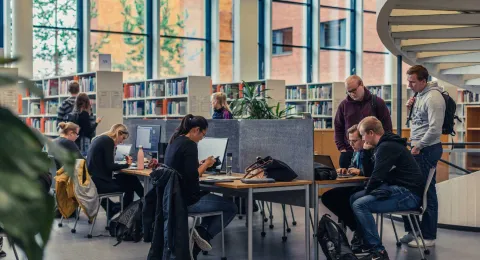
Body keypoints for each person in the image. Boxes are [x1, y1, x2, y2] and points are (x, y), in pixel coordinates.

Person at [350, 116, 425, 260]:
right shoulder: (384, 145)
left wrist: (367, 192)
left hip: (409, 194)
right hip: (400, 190)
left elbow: (377, 177)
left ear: (371, 133)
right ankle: (363, 241)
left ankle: (378, 251)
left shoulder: (386, 147)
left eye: (363, 134)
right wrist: (366, 152)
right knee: (355, 197)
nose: (362, 138)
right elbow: (370, 173)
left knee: (360, 204)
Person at [165, 114, 237, 259]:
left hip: (173, 199)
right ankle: (200, 238)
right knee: (231, 207)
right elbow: (192, 177)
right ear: (196, 130)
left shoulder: (175, 141)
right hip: (187, 201)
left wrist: (199, 164)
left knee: (212, 199)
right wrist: (206, 164)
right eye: (203, 135)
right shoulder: (190, 144)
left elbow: (183, 170)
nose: (201, 139)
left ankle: (198, 234)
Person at [401, 65, 445, 248]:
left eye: (412, 81)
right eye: (408, 81)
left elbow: (435, 130)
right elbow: (417, 122)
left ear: (423, 81)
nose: (409, 84)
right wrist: (408, 109)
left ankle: (428, 236)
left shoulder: (434, 98)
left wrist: (418, 146)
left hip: (426, 149)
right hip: (418, 148)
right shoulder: (420, 95)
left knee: (428, 193)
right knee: (414, 189)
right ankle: (414, 231)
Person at [321, 124, 374, 251]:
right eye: (349, 141)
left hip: (368, 187)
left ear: (364, 139)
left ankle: (361, 232)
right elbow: (352, 167)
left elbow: (373, 172)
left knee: (351, 198)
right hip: (355, 185)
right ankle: (357, 228)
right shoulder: (355, 152)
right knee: (328, 197)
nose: (351, 144)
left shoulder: (372, 151)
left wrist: (360, 172)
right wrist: (346, 170)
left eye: (354, 141)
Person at [334, 75, 392, 169]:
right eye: (349, 92)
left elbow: (387, 128)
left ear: (361, 85)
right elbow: (338, 127)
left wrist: (380, 149)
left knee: (366, 177)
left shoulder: (377, 102)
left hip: (371, 151)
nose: (352, 94)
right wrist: (342, 148)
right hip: (349, 151)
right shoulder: (344, 105)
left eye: (354, 90)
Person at [87, 124, 144, 218]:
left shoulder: (100, 138)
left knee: (129, 178)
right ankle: (146, 205)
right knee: (132, 182)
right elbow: (110, 166)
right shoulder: (108, 141)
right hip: (101, 184)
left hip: (95, 181)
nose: (122, 142)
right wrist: (127, 164)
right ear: (119, 133)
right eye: (123, 138)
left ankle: (121, 211)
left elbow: (105, 164)